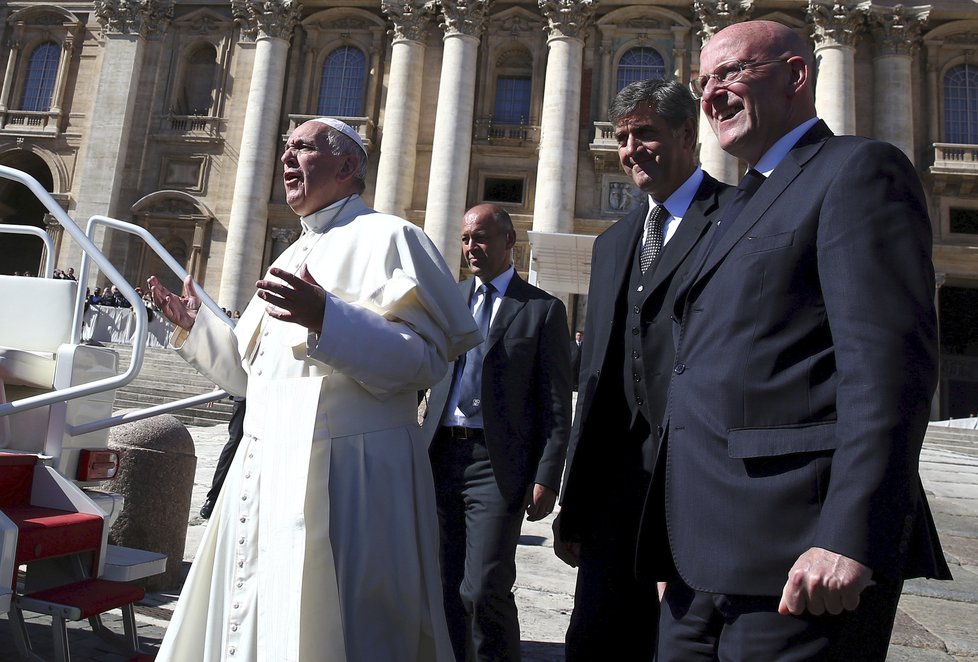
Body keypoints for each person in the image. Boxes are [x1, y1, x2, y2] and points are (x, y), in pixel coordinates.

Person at [642, 20, 951, 660]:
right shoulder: (739, 202)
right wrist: (676, 540)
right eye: (703, 82)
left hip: (799, 553)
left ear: (796, 76)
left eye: (731, 73)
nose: (711, 95)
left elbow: (889, 371)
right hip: (702, 561)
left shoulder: (858, 171)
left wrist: (850, 534)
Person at [148, 117, 480, 661]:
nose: (286, 158)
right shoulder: (289, 254)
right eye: (285, 148)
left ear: (348, 166)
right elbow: (247, 378)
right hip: (264, 467)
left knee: (342, 630)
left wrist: (330, 320)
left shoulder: (393, 237)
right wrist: (194, 328)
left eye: (301, 148)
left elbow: (424, 363)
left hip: (350, 474)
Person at [552, 79, 733, 660]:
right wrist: (573, 504)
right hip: (614, 494)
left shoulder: (740, 219)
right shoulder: (612, 244)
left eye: (646, 134)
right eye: (625, 137)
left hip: (703, 489)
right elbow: (596, 382)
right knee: (596, 642)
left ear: (687, 133)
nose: (631, 150)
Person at [422, 203, 572, 661]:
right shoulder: (449, 300)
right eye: (466, 239)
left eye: (481, 237)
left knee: (484, 585)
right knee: (446, 585)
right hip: (442, 454)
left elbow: (555, 402)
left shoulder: (542, 310)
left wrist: (548, 474)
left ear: (510, 242)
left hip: (497, 464)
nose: (471, 248)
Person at [199, 396, 245, 519]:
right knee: (234, 442)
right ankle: (213, 498)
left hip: (272, 396)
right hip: (245, 394)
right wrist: (218, 386)